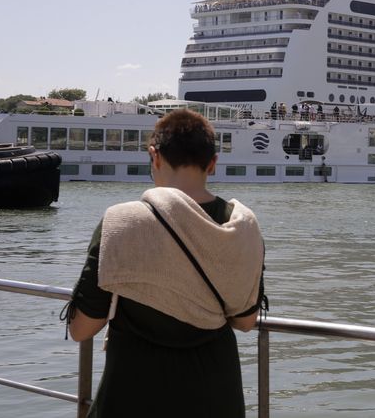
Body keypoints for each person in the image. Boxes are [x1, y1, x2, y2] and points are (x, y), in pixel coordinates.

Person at [64, 109, 266, 418]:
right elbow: (246, 321)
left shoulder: (121, 222)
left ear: (154, 156)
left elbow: (82, 329)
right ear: (212, 163)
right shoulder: (243, 225)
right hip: (215, 396)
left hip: (132, 394)